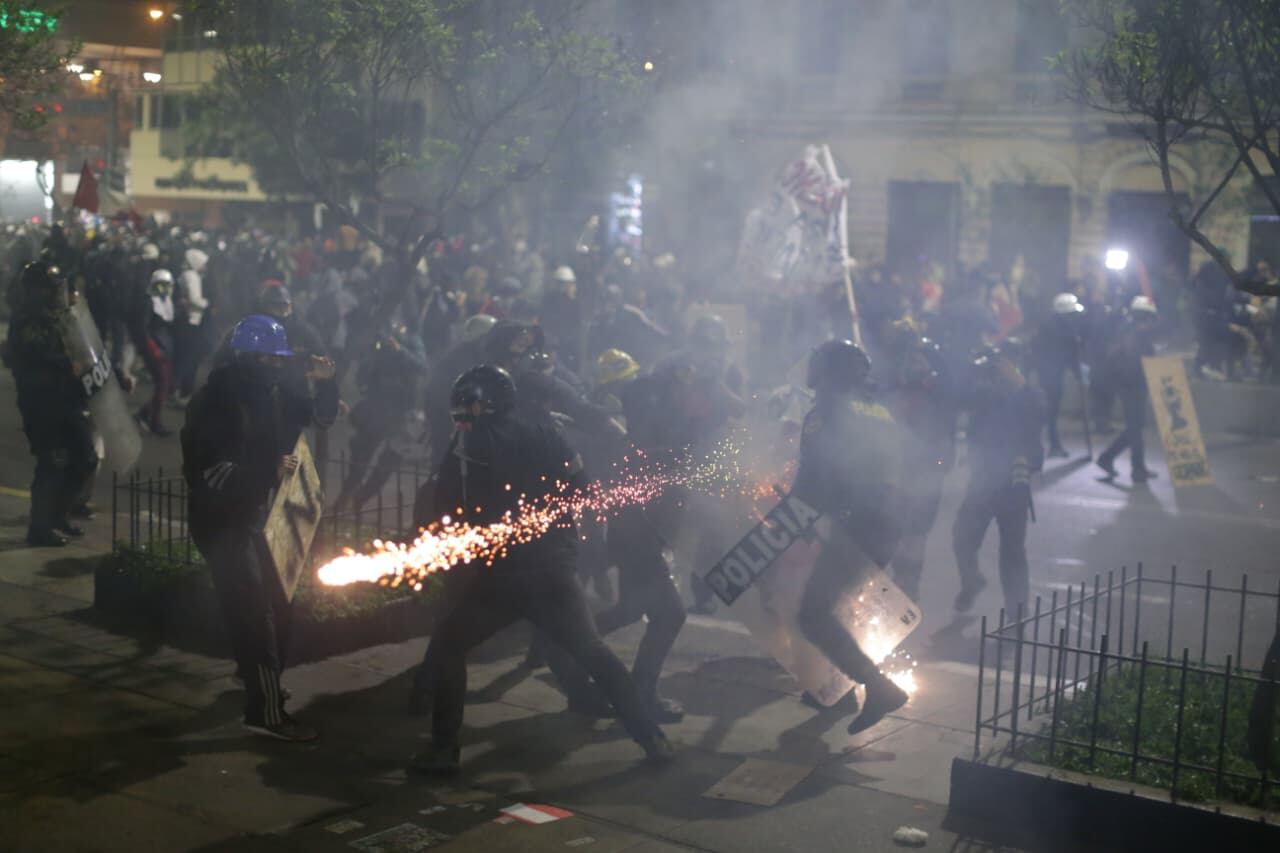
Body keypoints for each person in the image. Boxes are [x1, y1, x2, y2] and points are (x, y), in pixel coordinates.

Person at [408, 366, 673, 775]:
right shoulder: (548, 434)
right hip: (552, 570)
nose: (463, 414)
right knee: (593, 652)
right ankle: (650, 737)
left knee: (448, 647)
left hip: (503, 576)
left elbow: (448, 507)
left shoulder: (467, 443)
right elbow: (584, 492)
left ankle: (443, 752)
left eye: (469, 405)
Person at [181, 314, 338, 741]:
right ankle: (264, 711)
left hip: (256, 515)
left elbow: (320, 418)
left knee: (278, 600)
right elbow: (208, 473)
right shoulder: (216, 400)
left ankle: (254, 677)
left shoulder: (272, 394)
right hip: (221, 521)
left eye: (278, 358)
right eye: (268, 358)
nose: (276, 366)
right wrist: (266, 471)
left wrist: (325, 383)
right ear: (247, 357)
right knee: (254, 612)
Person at [791, 339, 910, 734]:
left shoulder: (824, 413)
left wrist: (793, 518)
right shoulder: (877, 411)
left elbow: (813, 479)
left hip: (855, 525)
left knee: (813, 615)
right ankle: (836, 691)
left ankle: (879, 688)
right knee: (841, 608)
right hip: (886, 524)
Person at [2, 261, 97, 546]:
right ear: (36, 291)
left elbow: (85, 350)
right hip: (42, 405)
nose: (58, 294)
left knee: (84, 457)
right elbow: (37, 359)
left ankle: (59, 516)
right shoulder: (26, 323)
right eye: (51, 289)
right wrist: (71, 366)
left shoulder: (60, 318)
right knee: (53, 462)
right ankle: (41, 528)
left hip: (67, 400)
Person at [952, 345, 1045, 615]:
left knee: (1013, 551)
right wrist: (972, 370)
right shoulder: (985, 392)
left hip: (1014, 483)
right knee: (962, 537)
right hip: (983, 479)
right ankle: (971, 582)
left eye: (1009, 363)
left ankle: (1017, 611)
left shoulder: (1030, 394)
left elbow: (1039, 411)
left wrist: (1018, 383)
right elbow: (960, 398)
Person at [878, 323, 956, 602]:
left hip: (913, 467)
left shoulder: (902, 384)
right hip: (913, 466)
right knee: (912, 531)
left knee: (905, 529)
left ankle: (906, 582)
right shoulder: (926, 382)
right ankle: (907, 582)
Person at [1096, 296, 1161, 483]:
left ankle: (1115, 460)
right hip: (1130, 386)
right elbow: (1132, 363)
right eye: (1148, 318)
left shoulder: (1136, 333)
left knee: (1136, 428)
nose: (1150, 323)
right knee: (1135, 428)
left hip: (1134, 385)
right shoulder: (1131, 334)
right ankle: (1131, 466)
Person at [1031, 292, 1087, 457]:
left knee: (1049, 411)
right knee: (1050, 411)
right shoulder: (1062, 330)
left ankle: (1046, 444)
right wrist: (1078, 373)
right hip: (1051, 374)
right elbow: (1069, 354)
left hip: (1047, 372)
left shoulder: (1050, 326)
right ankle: (1052, 445)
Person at [134, 268, 177, 435]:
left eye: (167, 285)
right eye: (161, 285)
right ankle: (154, 422)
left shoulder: (166, 301)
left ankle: (144, 414)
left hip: (165, 347)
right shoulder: (149, 301)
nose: (164, 288)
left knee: (166, 386)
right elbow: (143, 329)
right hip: (155, 349)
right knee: (163, 385)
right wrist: (153, 348)